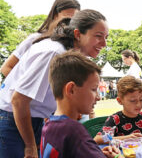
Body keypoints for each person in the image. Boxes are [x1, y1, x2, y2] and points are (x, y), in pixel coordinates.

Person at [0, 9, 108, 157]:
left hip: (34, 120)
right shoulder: (54, 53)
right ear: (78, 34)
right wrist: (30, 146)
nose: (104, 43)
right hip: (15, 120)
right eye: (98, 36)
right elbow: (18, 100)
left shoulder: (66, 54)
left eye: (106, 37)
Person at [41, 51, 121, 158]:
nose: (98, 97)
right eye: (93, 89)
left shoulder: (49, 124)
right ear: (71, 90)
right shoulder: (74, 130)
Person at [0, 0, 80, 80]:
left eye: (74, 19)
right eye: (67, 17)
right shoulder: (35, 39)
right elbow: (6, 67)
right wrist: (25, 89)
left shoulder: (74, 47)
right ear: (55, 16)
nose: (70, 22)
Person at [94, 76, 142, 144]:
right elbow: (98, 139)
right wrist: (126, 138)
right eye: (132, 101)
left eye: (141, 100)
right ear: (120, 101)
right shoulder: (115, 120)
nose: (138, 104)